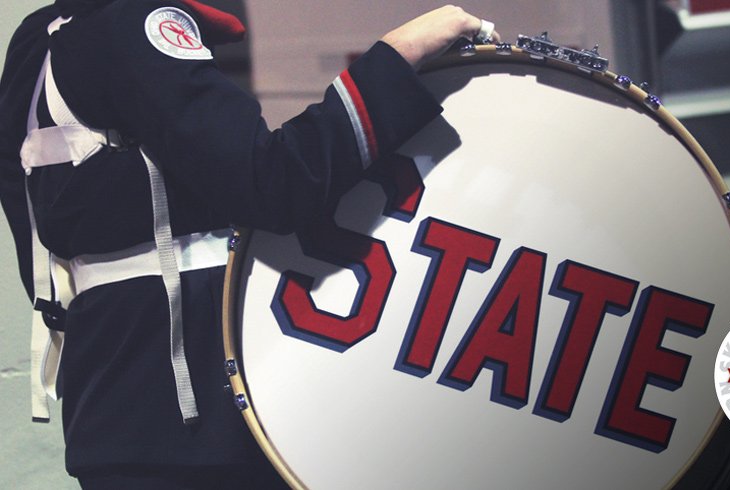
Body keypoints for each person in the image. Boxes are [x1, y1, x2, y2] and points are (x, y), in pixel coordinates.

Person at [0, 0, 499, 488]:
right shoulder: (136, 20)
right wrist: (397, 58)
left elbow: (34, 241)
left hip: (110, 407)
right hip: (197, 422)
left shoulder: (38, 38)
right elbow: (272, 185)